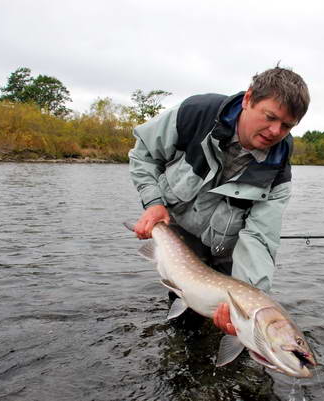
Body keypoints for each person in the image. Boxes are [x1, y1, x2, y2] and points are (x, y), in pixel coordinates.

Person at [128, 66, 310, 335]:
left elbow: (259, 238)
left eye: (286, 125)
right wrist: (154, 202)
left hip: (229, 248)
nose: (275, 131)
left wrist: (250, 308)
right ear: (248, 99)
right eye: (270, 117)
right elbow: (143, 154)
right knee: (184, 325)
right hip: (180, 233)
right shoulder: (195, 114)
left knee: (235, 325)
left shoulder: (278, 172)